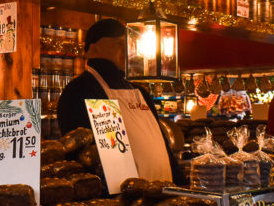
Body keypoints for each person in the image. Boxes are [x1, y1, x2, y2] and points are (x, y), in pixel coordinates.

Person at [57, 19, 181, 183]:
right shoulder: (81, 90)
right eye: (118, 43)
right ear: (94, 47)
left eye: (127, 44)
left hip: (163, 190)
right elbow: (83, 154)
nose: (126, 50)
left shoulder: (139, 92)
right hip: (122, 198)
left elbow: (163, 144)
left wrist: (180, 182)